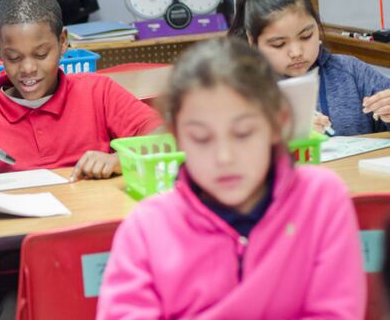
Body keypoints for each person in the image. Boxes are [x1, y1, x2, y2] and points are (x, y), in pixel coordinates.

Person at [97, 38, 365, 319]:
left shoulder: (320, 199)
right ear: (176, 137)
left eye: (243, 134)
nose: (224, 158)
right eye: (201, 138)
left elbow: (336, 312)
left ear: (279, 124)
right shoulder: (147, 228)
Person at [0, 0, 162, 181]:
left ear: (63, 41)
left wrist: (122, 159)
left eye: (41, 54)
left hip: (89, 220)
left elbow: (164, 134)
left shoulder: (98, 92)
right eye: (13, 57)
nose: (27, 68)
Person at [228, 0, 390, 136]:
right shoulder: (240, 89)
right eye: (279, 44)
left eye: (306, 36)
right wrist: (287, 135)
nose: (296, 52)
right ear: (252, 41)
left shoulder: (350, 72)